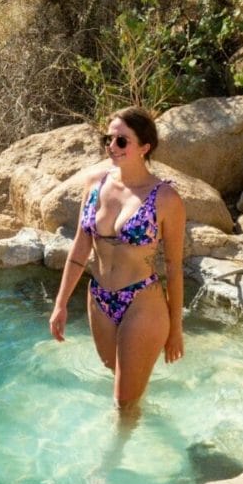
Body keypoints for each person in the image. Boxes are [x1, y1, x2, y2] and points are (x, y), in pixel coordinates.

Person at [48, 106, 185, 419]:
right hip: (99, 298)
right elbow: (81, 247)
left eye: (121, 141)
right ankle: (146, 419)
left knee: (122, 402)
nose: (112, 146)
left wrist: (176, 328)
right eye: (108, 139)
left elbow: (175, 268)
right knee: (120, 379)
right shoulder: (95, 184)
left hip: (142, 301)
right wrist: (60, 304)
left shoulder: (165, 199)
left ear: (144, 147)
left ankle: (112, 462)